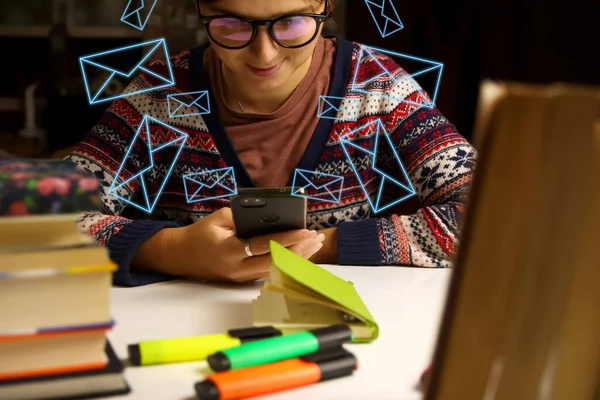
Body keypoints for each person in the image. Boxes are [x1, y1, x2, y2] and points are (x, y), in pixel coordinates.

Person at [66, 0, 476, 287]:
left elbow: (490, 216)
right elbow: (40, 219)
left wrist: (319, 247)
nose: (263, 54)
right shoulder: (157, 95)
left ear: (324, 7)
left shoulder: (378, 86)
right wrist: (172, 250)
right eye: (232, 26)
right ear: (201, 12)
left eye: (291, 23)